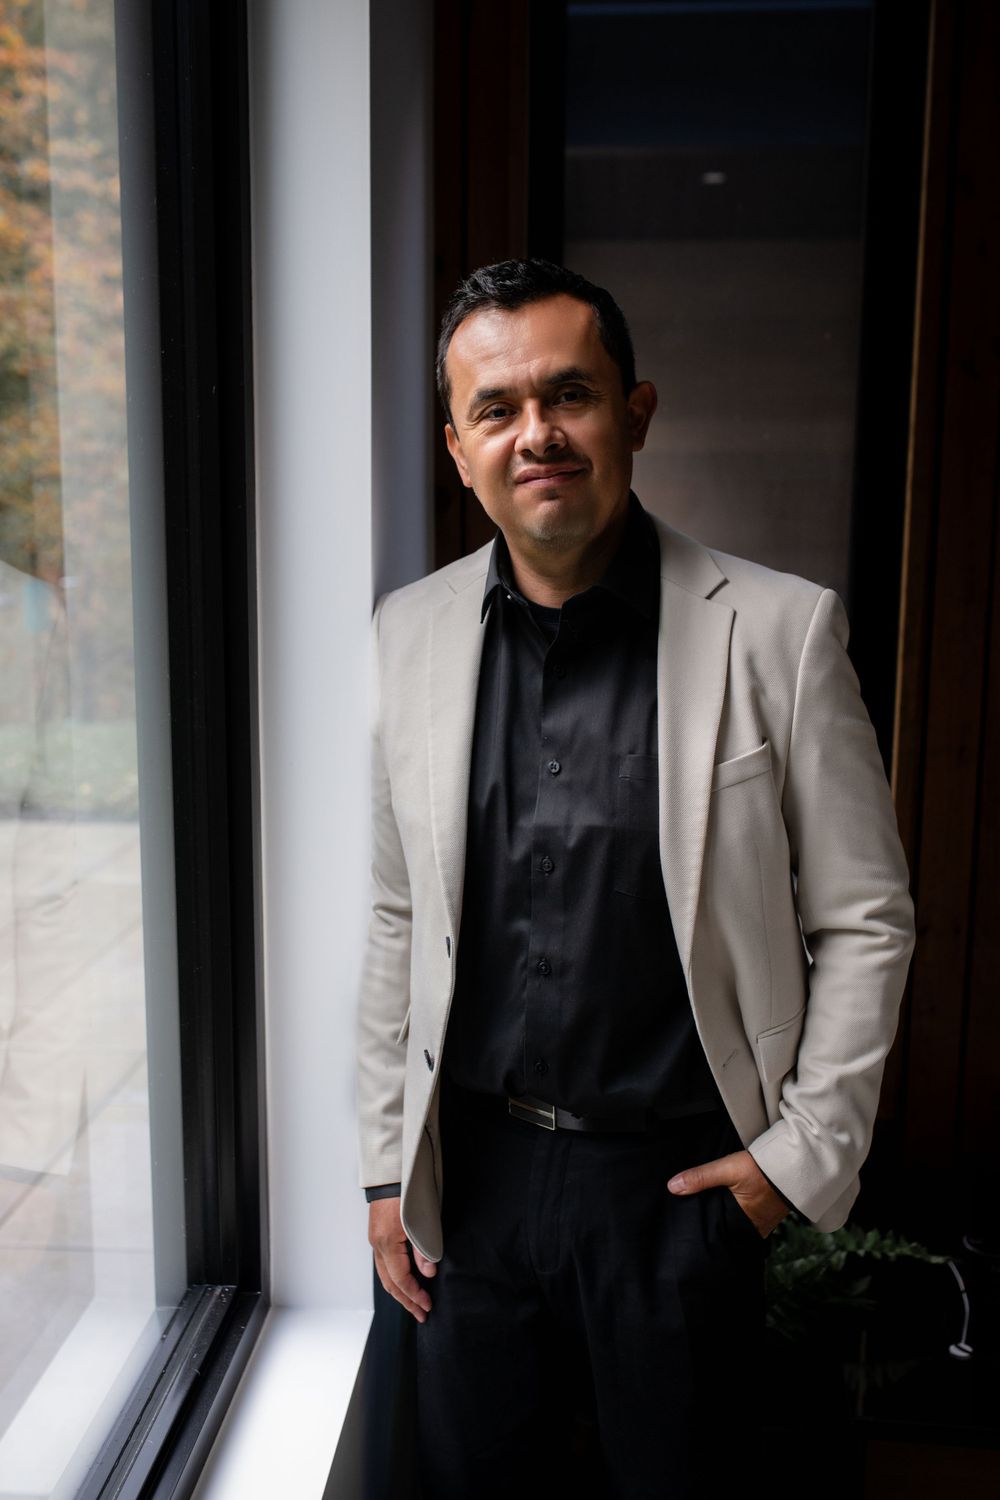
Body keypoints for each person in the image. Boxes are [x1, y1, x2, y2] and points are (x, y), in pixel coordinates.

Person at [354, 258, 916, 1498]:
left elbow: (866, 919)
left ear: (635, 413)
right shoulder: (408, 634)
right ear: (457, 450)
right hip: (474, 1191)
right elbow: (400, 912)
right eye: (496, 408)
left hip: (677, 1194)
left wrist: (791, 1165)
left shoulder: (779, 631)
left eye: (570, 395)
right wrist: (388, 1167)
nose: (536, 433)